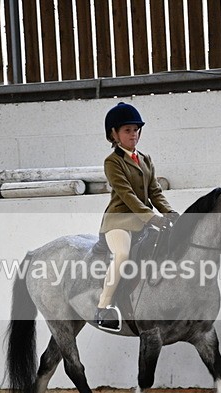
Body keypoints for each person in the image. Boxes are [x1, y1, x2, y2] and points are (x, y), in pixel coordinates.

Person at [95, 102, 178, 332]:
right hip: (119, 221)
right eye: (127, 130)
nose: (133, 135)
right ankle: (103, 308)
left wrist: (169, 213)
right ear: (114, 134)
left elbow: (155, 191)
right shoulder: (112, 162)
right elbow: (128, 195)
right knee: (122, 254)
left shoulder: (145, 158)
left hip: (144, 220)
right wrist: (152, 218)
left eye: (136, 130)